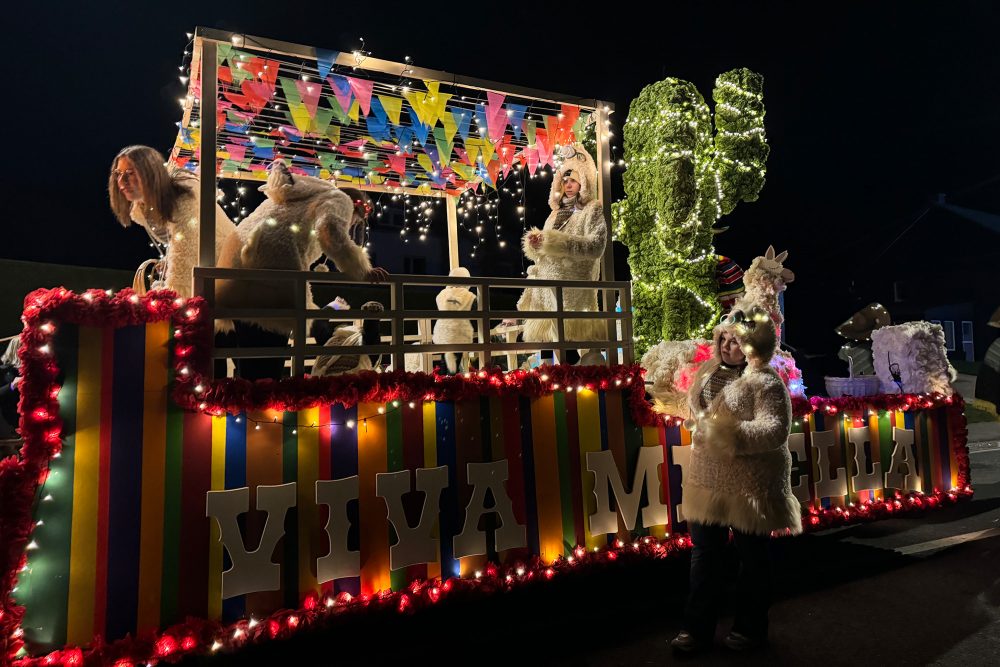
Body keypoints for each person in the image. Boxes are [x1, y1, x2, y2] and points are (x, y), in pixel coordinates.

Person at [671, 305, 802, 653]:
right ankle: (696, 629)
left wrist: (728, 435)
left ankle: (750, 628)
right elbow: (700, 410)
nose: (728, 347)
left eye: (737, 341)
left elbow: (775, 429)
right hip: (708, 479)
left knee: (753, 559)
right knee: (704, 555)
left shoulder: (766, 381)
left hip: (750, 482)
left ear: (754, 345)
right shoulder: (707, 371)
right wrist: (697, 423)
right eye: (724, 339)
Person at [516, 143, 607, 366]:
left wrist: (556, 242)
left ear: (583, 181)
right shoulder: (554, 214)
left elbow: (596, 246)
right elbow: (544, 250)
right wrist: (536, 244)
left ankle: (572, 370)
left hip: (573, 282)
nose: (568, 185)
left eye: (573, 180)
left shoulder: (592, 209)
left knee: (567, 330)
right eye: (565, 180)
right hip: (547, 281)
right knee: (547, 330)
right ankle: (550, 371)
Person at [108, 145, 236, 298]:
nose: (122, 180)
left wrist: (172, 295)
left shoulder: (182, 197)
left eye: (130, 173)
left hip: (228, 271)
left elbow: (185, 248)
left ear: (150, 174)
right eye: (118, 173)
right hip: (209, 276)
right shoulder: (142, 208)